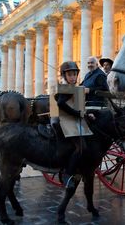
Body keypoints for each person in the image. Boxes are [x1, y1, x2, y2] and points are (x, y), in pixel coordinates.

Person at [53, 61, 85, 189]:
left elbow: (78, 105)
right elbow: (61, 103)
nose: (72, 77)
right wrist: (76, 113)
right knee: (78, 148)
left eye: (74, 74)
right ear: (64, 76)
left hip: (72, 120)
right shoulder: (65, 88)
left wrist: (85, 114)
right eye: (70, 75)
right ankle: (68, 174)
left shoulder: (72, 88)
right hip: (63, 122)